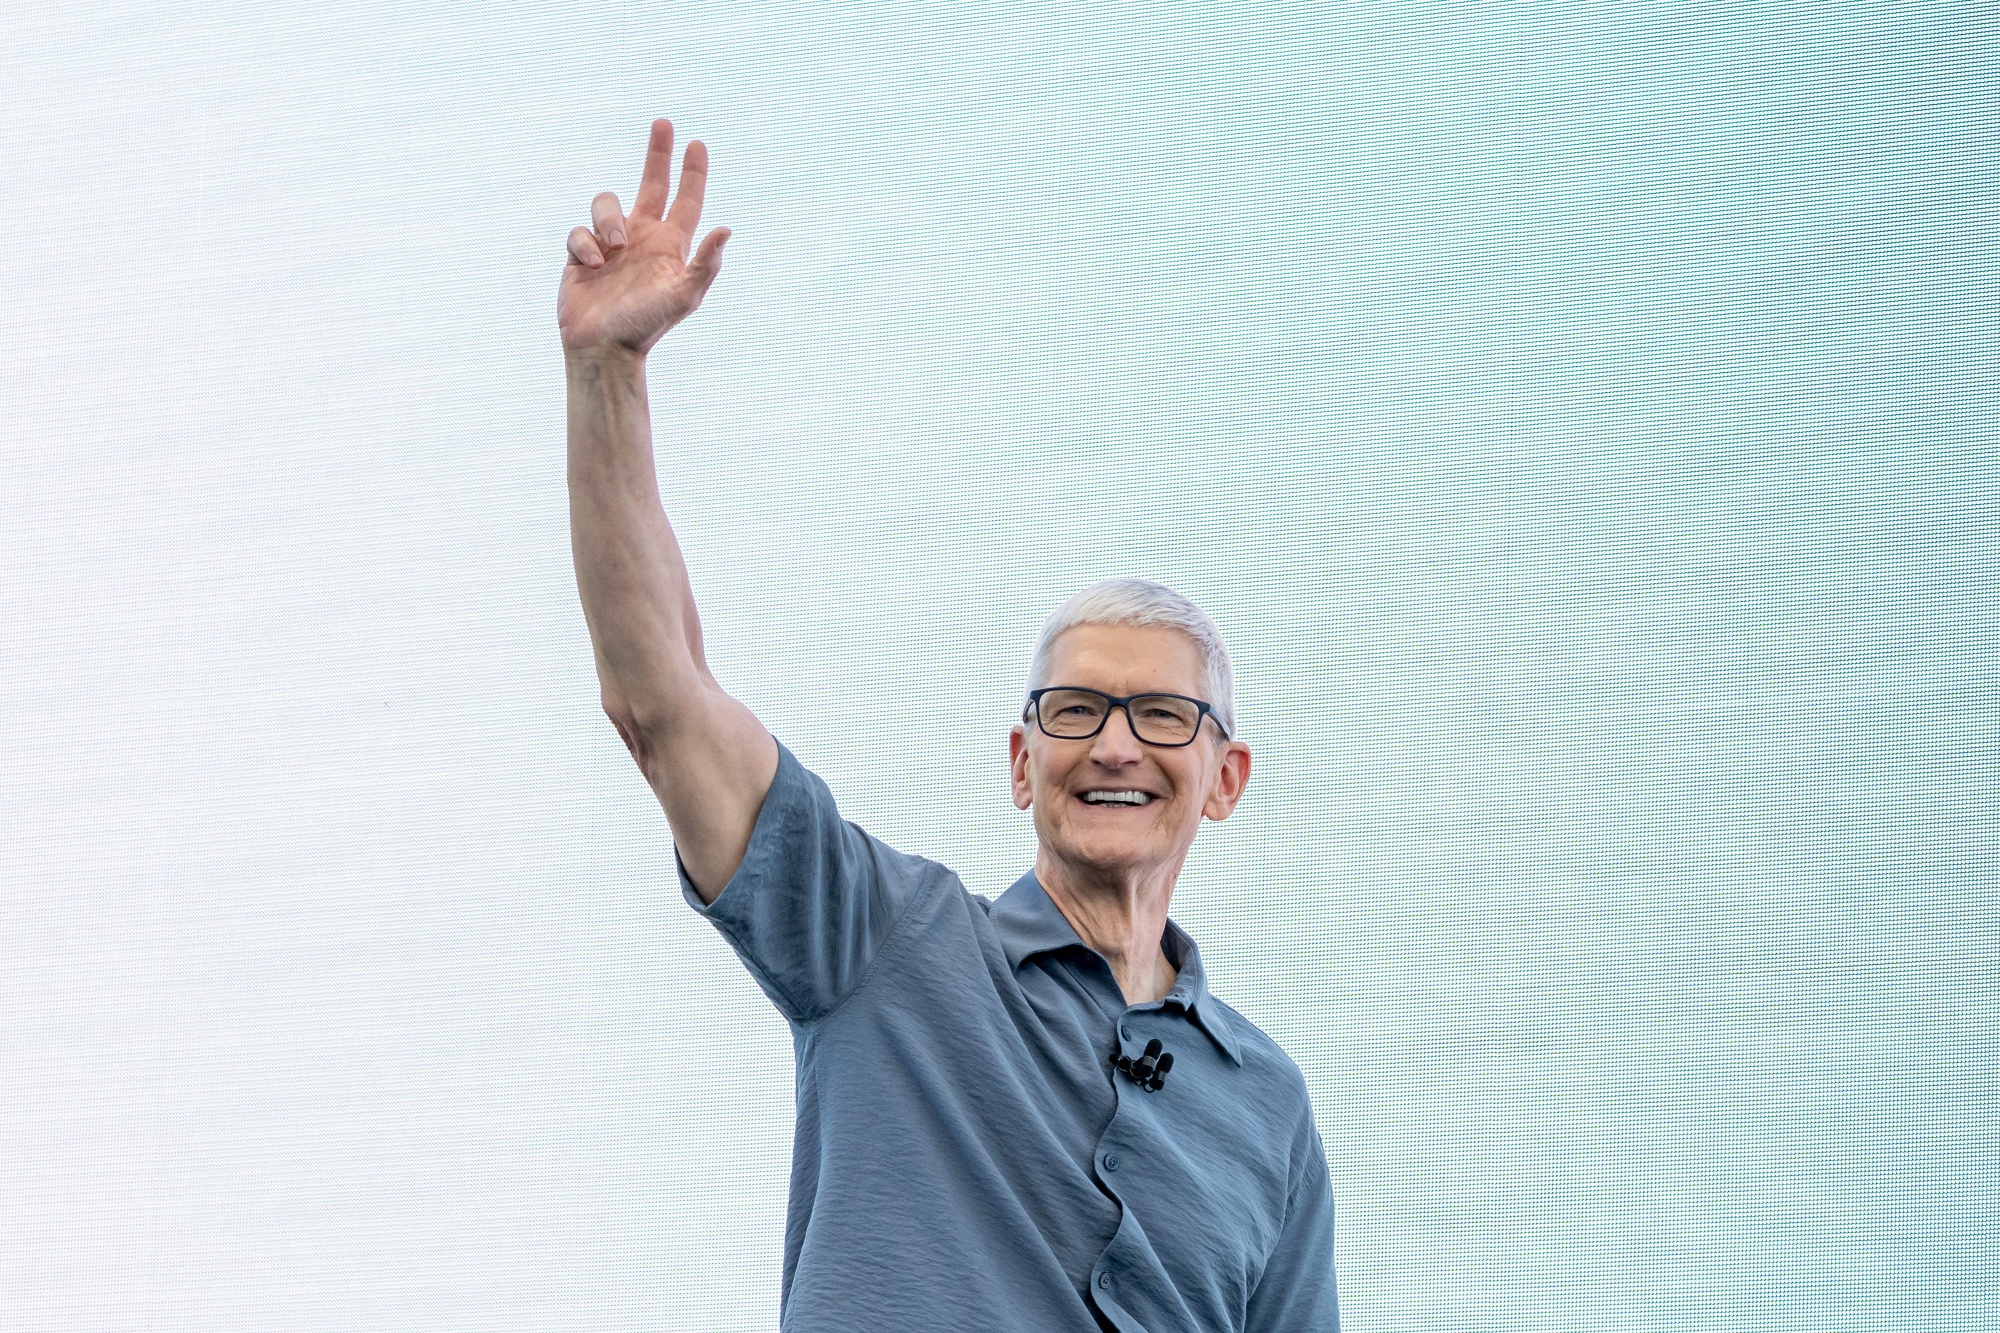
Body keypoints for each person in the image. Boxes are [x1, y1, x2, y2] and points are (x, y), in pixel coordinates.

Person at [559, 118, 1340, 1333]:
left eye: (1162, 715)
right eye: (1074, 709)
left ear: (1226, 775)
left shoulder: (1270, 1108)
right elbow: (661, 700)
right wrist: (607, 373)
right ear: (1020, 762)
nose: (1115, 744)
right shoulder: (887, 943)